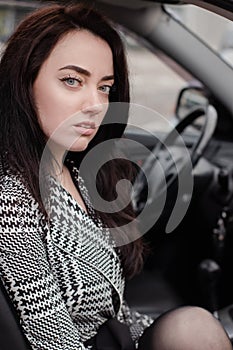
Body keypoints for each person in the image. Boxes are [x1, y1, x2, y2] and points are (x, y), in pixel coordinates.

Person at [0, 3, 232, 350]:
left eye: (105, 87)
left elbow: (115, 313)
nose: (95, 103)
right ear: (24, 83)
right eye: (72, 81)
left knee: (197, 325)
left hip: (116, 336)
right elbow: (54, 341)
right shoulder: (12, 197)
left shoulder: (74, 170)